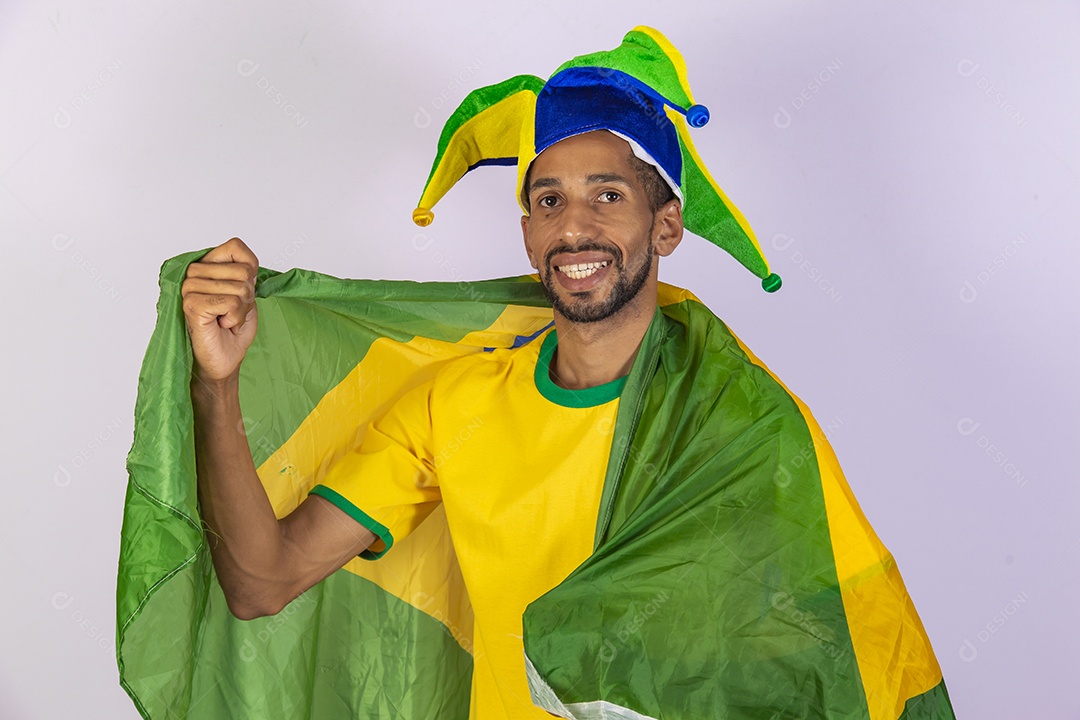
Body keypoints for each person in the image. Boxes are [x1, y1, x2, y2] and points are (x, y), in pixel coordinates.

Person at [134, 26, 955, 720]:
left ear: (666, 225)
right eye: (549, 200)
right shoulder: (450, 404)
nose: (575, 227)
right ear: (527, 230)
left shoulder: (736, 429)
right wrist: (217, 383)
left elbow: (827, 655)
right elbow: (261, 582)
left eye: (608, 196)